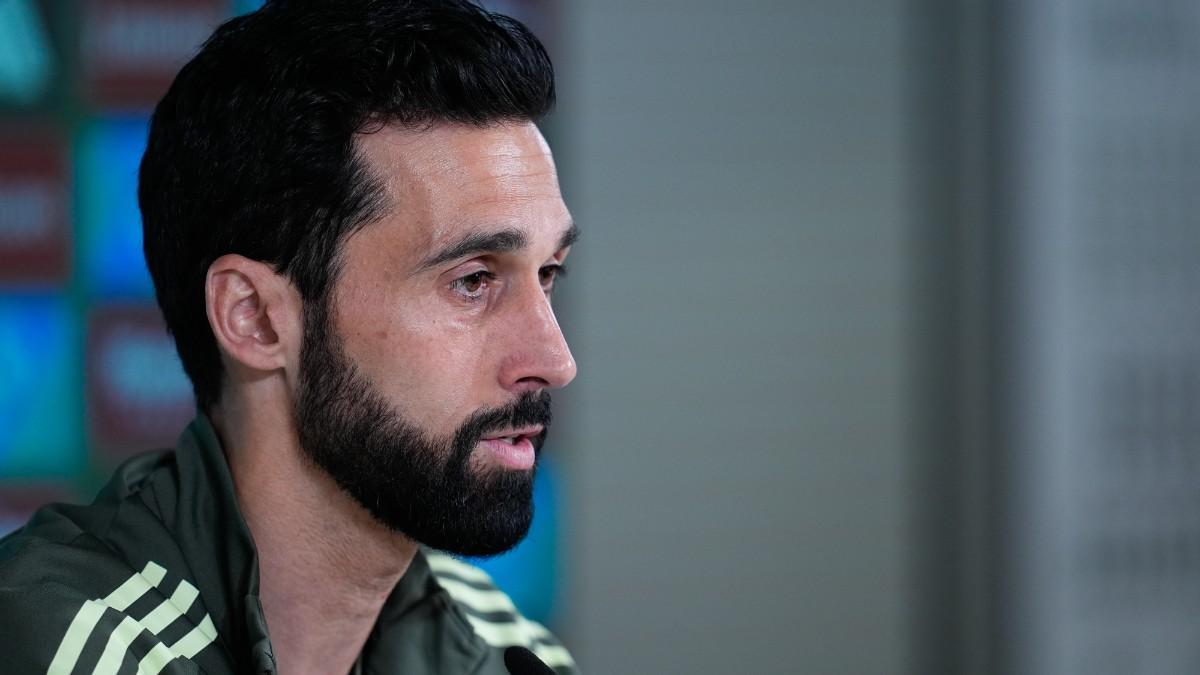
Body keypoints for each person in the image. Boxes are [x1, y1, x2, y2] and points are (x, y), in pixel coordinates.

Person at [0, 1, 579, 673]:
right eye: (473, 280)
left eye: (549, 274)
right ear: (256, 317)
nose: (554, 359)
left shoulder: (511, 652)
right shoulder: (64, 647)